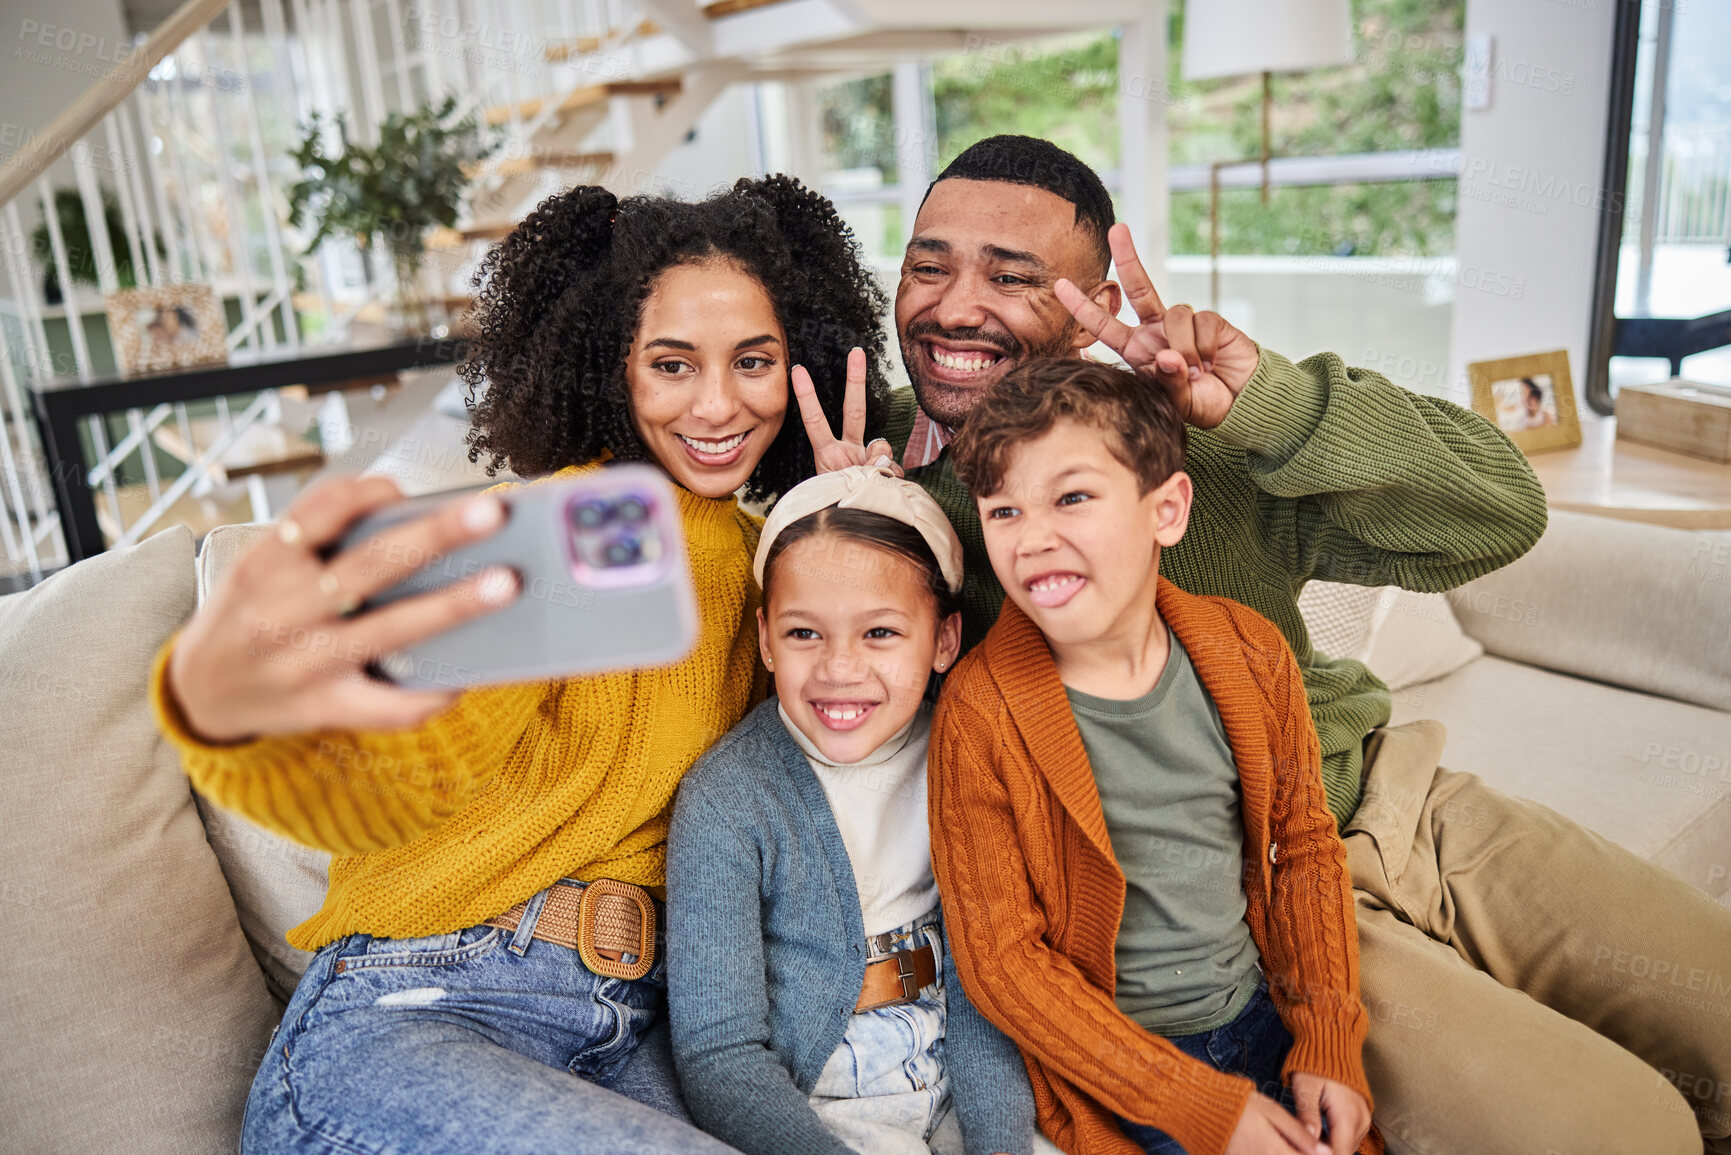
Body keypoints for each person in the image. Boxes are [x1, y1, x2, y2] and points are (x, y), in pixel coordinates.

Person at [799, 134, 1729, 1154]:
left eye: (1012, 277)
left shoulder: (1183, 440)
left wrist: (1265, 402)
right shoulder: (856, 476)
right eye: (929, 264)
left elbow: (1501, 510)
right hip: (1252, 909)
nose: (955, 305)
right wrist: (850, 524)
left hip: (1403, 802)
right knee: (1633, 1131)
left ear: (1091, 301)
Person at [147, 175, 889, 1154]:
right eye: (672, 365)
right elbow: (400, 770)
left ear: (798, 360)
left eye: (753, 360)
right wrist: (234, 721)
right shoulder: (580, 532)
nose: (717, 404)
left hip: (639, 1028)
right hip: (418, 1010)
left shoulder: (773, 565)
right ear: (608, 366)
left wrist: (850, 537)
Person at [928, 357, 1378, 1155]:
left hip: (1262, 1014)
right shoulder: (979, 710)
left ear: (1165, 510)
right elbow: (1003, 961)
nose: (1032, 539)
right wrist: (1196, 1105)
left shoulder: (1249, 650)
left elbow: (1304, 846)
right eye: (1002, 513)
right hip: (1120, 1065)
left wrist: (1328, 1038)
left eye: (1071, 496)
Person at [666, 464, 1061, 1155]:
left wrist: (1000, 1141)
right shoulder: (728, 798)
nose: (839, 668)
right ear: (764, 639)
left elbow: (985, 988)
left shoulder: (965, 755)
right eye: (803, 634)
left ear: (943, 640)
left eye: (880, 633)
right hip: (816, 1108)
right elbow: (719, 1053)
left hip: (965, 1080)